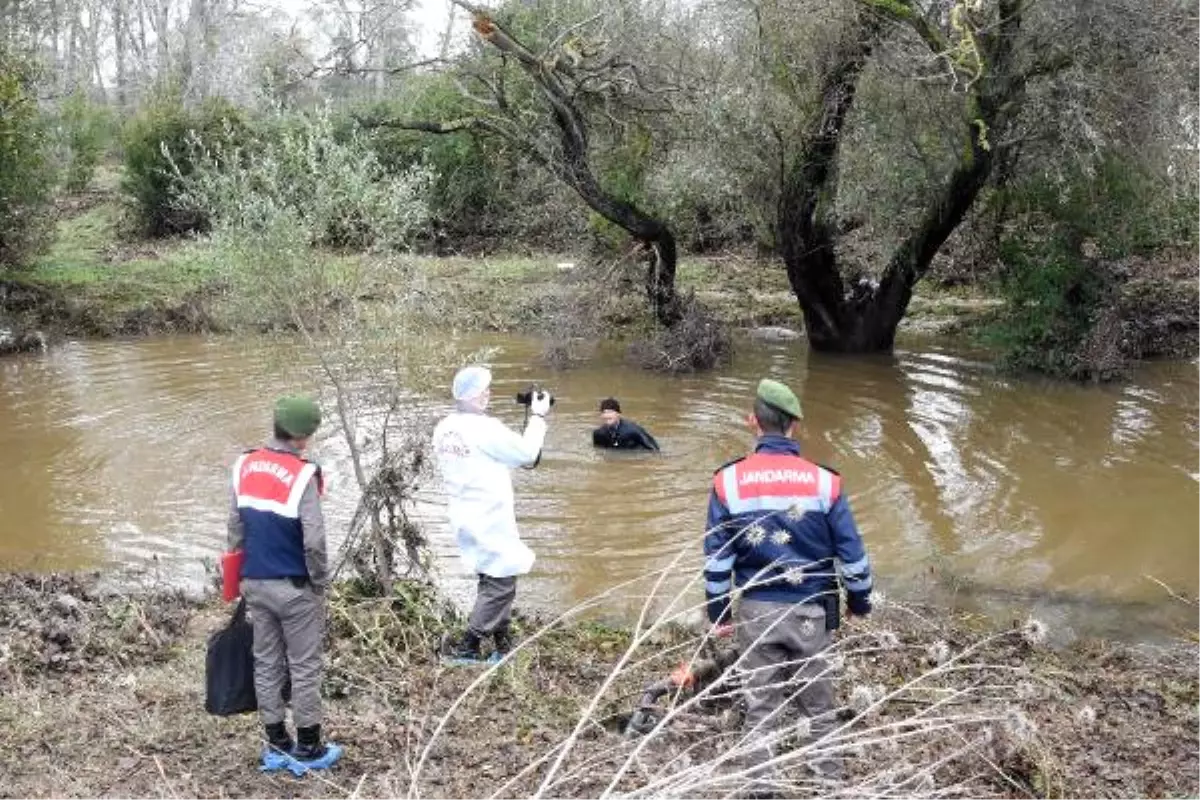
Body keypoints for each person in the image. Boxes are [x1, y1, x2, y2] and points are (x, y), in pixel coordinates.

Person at [703, 378, 873, 788]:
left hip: (757, 613)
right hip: (811, 613)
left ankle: (761, 789)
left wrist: (718, 612)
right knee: (819, 707)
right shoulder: (825, 483)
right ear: (794, 426)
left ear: (752, 423)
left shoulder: (727, 482)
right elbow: (852, 555)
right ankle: (826, 785)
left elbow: (716, 559)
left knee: (760, 704)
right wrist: (860, 602)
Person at [228, 395, 342, 770]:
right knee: (305, 665)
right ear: (304, 437)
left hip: (255, 584)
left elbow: (235, 530)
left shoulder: (243, 464)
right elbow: (314, 540)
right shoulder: (304, 474)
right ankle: (309, 748)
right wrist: (320, 581)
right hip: (295, 588)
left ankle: (276, 744)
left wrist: (238, 578)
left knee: (266, 662)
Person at [432, 366, 552, 664]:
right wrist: (537, 416)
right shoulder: (486, 428)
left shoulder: (444, 427)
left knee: (492, 576)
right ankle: (468, 648)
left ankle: (503, 641)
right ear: (473, 395)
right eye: (484, 389)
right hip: (489, 517)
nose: (489, 393)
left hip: (464, 516)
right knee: (501, 583)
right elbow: (527, 454)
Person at [591, 397, 659, 452]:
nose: (607, 415)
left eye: (611, 412)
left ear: (618, 414)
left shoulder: (633, 430)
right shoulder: (598, 434)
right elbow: (599, 452)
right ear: (601, 415)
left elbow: (654, 449)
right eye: (604, 413)